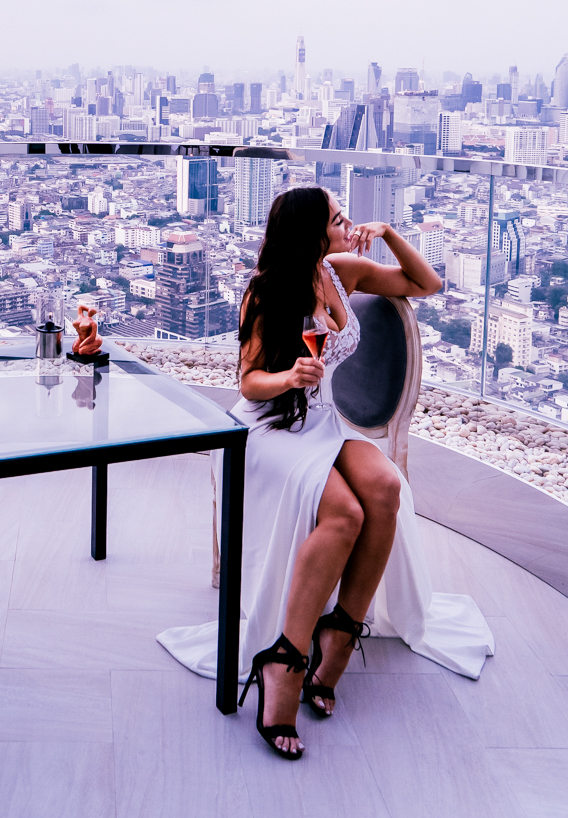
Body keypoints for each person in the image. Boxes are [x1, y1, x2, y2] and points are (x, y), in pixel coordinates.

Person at [157, 186, 493, 760]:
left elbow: (426, 285)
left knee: (386, 487)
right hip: (270, 426)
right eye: (339, 220)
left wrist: (386, 235)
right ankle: (283, 660)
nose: (348, 225)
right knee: (345, 513)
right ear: (313, 232)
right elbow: (247, 382)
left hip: (322, 421)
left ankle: (341, 631)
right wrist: (288, 377)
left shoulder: (341, 272)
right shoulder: (266, 293)